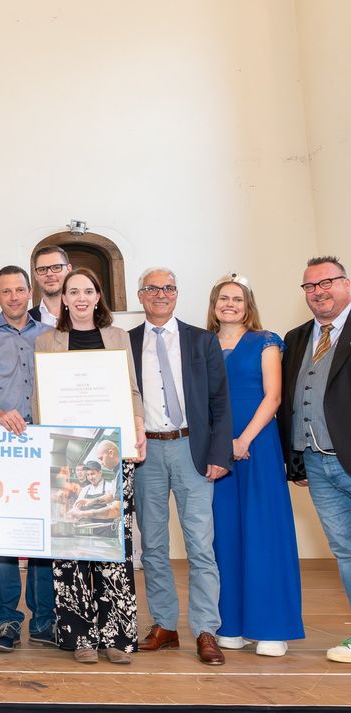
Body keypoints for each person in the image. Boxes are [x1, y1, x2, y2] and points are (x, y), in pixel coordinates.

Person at [34, 268, 146, 664]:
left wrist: (137, 429)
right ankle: (81, 637)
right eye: (72, 291)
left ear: (99, 296)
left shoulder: (118, 338)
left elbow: (131, 388)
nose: (80, 298)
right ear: (62, 298)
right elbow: (40, 397)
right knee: (70, 544)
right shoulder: (47, 341)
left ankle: (116, 636)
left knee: (113, 543)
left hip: (114, 453)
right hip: (66, 459)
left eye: (88, 291)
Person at [129, 267, 232, 666]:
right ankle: (165, 625)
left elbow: (220, 402)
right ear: (140, 295)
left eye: (168, 288)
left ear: (177, 294)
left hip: (193, 449)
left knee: (200, 546)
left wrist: (218, 455)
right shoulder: (128, 342)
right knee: (153, 546)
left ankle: (207, 629)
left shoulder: (201, 340)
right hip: (146, 453)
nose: (161, 294)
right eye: (153, 288)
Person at [206, 274, 303, 657]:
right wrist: (221, 445)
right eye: (223, 298)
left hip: (257, 444)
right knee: (225, 536)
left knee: (264, 533)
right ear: (213, 305)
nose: (230, 304)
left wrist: (244, 439)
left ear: (249, 304)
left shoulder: (266, 341)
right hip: (219, 450)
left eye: (237, 298)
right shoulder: (205, 344)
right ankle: (231, 624)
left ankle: (271, 627)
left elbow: (274, 396)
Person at [0, 265, 56, 653]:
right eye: (7, 292)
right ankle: (6, 619)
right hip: (1, 444)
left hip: (43, 443)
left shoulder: (52, 336)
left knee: (41, 535)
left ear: (30, 293)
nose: (15, 297)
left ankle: (44, 621)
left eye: (21, 290)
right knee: (2, 536)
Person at [278, 256, 351, 664]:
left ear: (347, 283)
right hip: (318, 465)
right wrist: (297, 460)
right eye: (309, 286)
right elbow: (291, 400)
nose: (319, 292)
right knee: (345, 550)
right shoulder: (298, 336)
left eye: (327, 282)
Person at [27, 246, 72, 327]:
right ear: (35, 275)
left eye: (56, 267)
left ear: (69, 270)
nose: (49, 274)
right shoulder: (25, 321)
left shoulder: (89, 315)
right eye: (42, 269)